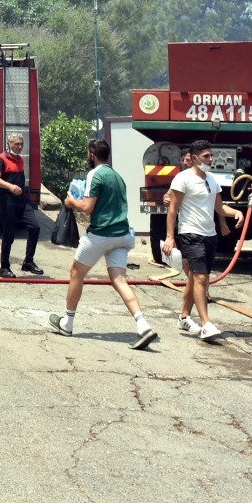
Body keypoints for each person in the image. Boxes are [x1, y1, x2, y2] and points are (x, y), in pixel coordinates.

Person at [49, 138, 159, 350]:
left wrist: (71, 202)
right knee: (119, 280)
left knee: (76, 273)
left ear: (92, 154)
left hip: (102, 234)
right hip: (123, 234)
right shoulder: (117, 176)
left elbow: (88, 207)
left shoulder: (95, 174)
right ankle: (143, 325)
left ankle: (67, 323)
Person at [164, 140, 242, 343]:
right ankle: (206, 323)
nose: (211, 159)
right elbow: (172, 210)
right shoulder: (182, 179)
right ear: (195, 157)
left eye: (211, 155)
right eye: (207, 156)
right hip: (190, 234)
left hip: (210, 235)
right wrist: (170, 237)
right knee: (199, 278)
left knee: (198, 278)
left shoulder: (212, 180)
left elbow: (220, 207)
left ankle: (183, 317)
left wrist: (236, 212)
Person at [0, 132, 43, 278]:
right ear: (9, 144)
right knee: (9, 234)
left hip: (21, 200)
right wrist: (10, 187)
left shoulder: (20, 159)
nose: (19, 147)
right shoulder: (1, 159)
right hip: (7, 201)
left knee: (35, 227)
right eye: (16, 144)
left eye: (21, 144)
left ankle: (28, 262)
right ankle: (4, 268)